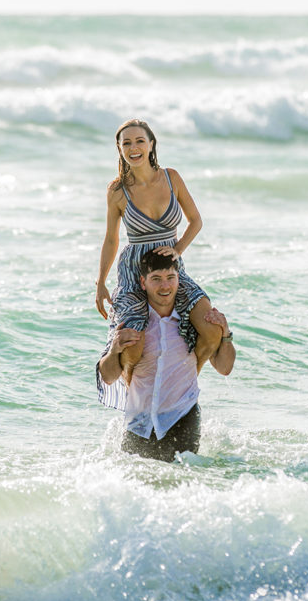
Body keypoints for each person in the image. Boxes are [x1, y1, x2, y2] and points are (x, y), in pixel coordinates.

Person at [95, 119, 222, 405]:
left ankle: (186, 380)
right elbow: (111, 240)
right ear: (119, 149)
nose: (133, 147)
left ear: (151, 144)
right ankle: (135, 392)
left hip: (170, 271)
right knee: (132, 342)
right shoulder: (117, 190)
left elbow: (196, 221)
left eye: (139, 140)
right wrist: (101, 282)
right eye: (126, 143)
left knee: (210, 327)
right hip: (133, 272)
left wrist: (177, 249)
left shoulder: (171, 177)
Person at [98, 251, 236, 462]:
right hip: (139, 425)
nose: (165, 286)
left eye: (170, 278)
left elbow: (225, 368)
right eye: (156, 279)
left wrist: (225, 333)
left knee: (183, 484)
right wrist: (115, 348)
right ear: (143, 282)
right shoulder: (133, 326)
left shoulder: (192, 325)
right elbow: (107, 377)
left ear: (179, 280)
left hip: (182, 418)